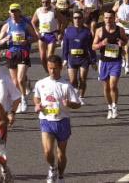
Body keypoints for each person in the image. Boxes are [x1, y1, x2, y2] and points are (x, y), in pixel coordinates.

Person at [34, 55, 81, 183]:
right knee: (48, 151)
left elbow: (78, 104)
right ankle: (52, 168)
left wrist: (69, 104)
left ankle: (60, 176)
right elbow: (37, 97)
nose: (52, 71)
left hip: (62, 121)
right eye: (50, 68)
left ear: (61, 68)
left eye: (55, 68)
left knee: (61, 153)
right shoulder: (41, 83)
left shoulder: (66, 86)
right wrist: (37, 105)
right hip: (46, 121)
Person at [0, 4, 38, 113]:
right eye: (12, 11)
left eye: (16, 11)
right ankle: (20, 99)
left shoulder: (25, 25)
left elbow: (35, 37)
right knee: (15, 82)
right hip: (11, 53)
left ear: (20, 12)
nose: (14, 14)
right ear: (9, 13)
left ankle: (24, 99)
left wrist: (27, 41)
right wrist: (6, 39)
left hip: (23, 52)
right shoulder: (7, 25)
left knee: (20, 79)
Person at [92, 10, 128, 119]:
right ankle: (109, 107)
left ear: (114, 18)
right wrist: (101, 44)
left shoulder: (120, 30)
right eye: (106, 18)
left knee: (113, 85)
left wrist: (122, 43)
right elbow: (93, 46)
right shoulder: (99, 31)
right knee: (106, 87)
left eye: (111, 18)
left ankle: (114, 106)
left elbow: (125, 41)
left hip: (115, 62)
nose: (108, 20)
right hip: (103, 62)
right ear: (104, 19)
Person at [61, 10, 95, 104]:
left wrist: (93, 60)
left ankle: (81, 97)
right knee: (73, 80)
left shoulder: (87, 31)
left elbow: (91, 47)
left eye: (79, 18)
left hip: (84, 58)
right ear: (72, 19)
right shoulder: (68, 31)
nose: (77, 20)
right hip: (71, 58)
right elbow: (65, 46)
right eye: (75, 18)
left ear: (82, 19)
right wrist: (64, 59)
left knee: (82, 78)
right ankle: (75, 95)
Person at [32, 0, 60, 72]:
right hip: (42, 35)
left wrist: (60, 31)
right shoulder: (38, 11)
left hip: (52, 35)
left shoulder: (54, 11)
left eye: (47, 2)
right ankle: (48, 72)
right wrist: (37, 32)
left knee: (49, 56)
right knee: (42, 58)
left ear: (50, 2)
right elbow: (33, 22)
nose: (45, 4)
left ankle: (51, 72)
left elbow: (64, 21)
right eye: (43, 2)